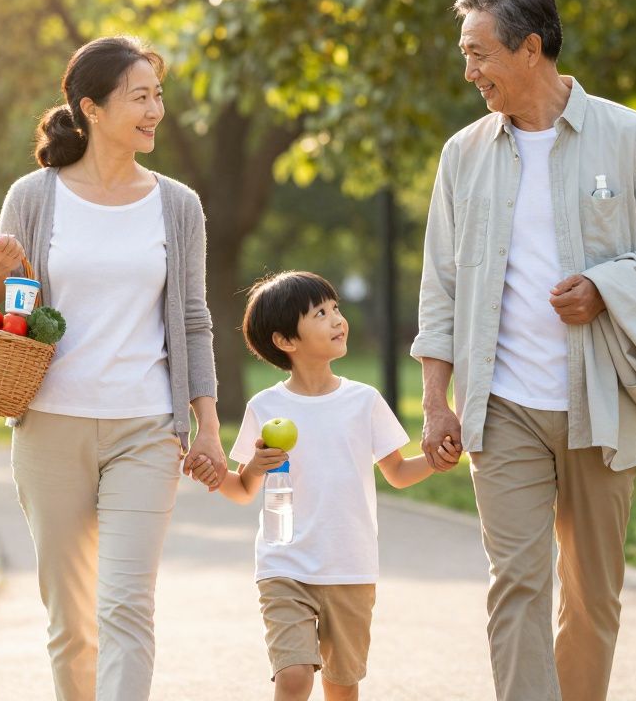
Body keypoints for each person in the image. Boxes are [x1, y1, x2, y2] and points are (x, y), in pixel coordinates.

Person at [411, 0, 636, 701]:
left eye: (479, 53)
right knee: (515, 585)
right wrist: (435, 401)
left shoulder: (630, 136)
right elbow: (441, 284)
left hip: (602, 401)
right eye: (465, 54)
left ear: (531, 47)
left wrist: (607, 288)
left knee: (591, 597)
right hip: (503, 403)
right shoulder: (464, 154)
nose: (469, 71)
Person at [0, 35, 226, 701]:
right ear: (92, 108)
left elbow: (193, 320)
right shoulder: (34, 195)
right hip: (51, 426)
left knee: (126, 610)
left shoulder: (178, 205)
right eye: (140, 97)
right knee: (72, 623)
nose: (155, 111)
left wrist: (207, 425)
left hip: (145, 428)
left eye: (157, 96)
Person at [191, 271, 447, 701]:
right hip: (284, 564)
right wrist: (238, 471)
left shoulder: (363, 401)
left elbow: (399, 473)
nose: (337, 320)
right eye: (321, 313)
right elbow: (241, 489)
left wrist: (438, 461)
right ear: (286, 341)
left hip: (350, 566)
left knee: (342, 686)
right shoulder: (265, 407)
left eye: (336, 309)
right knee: (293, 677)